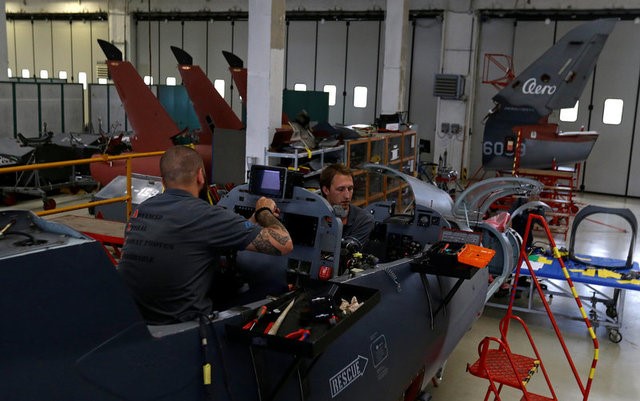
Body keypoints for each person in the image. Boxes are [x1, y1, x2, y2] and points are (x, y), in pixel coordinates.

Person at [118, 145, 293, 324]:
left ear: (163, 181)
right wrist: (264, 210)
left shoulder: (140, 211)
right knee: (276, 287)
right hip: (183, 327)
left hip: (137, 321)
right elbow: (284, 243)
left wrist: (250, 222)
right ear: (200, 176)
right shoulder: (206, 215)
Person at [319, 163, 374, 248]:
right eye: (340, 189)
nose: (347, 196)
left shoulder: (363, 220)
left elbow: (345, 253)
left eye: (350, 189)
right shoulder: (314, 217)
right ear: (326, 190)